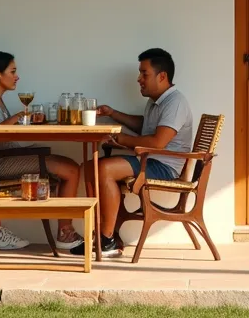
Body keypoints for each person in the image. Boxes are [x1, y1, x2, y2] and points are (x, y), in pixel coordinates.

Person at [79, 48, 193, 258]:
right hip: (149, 160)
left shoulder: (175, 103)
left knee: (103, 168)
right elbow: (145, 126)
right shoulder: (156, 101)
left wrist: (121, 139)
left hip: (164, 167)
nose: (139, 79)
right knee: (89, 167)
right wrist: (113, 114)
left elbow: (158, 141)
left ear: (162, 76)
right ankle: (100, 234)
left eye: (144, 74)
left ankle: (107, 239)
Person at [0, 51, 84, 251]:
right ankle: (65, 233)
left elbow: (4, 133)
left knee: (69, 166)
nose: (17, 76)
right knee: (71, 170)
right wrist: (17, 117)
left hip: (9, 158)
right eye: (12, 71)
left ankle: (65, 230)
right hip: (0, 163)